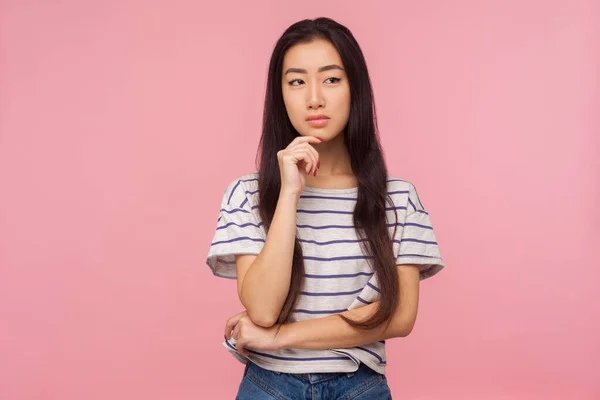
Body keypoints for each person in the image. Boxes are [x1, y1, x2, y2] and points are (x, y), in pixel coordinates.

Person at [206, 17, 445, 400]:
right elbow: (264, 310)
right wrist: (288, 195)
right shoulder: (247, 194)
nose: (314, 97)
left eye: (331, 79)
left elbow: (399, 317)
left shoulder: (397, 199)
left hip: (359, 386)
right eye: (297, 81)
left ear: (355, 89)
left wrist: (280, 337)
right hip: (269, 386)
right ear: (279, 94)